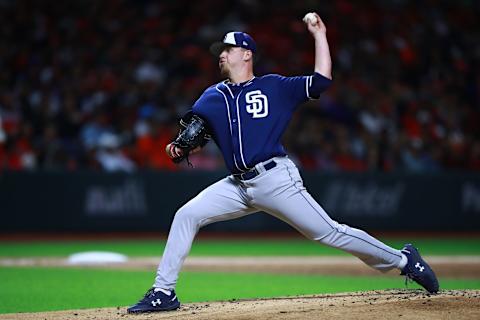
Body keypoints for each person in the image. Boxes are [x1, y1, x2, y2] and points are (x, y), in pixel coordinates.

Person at [127, 13, 439, 313]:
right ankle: (163, 291)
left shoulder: (274, 87)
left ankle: (403, 260)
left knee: (328, 232)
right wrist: (178, 148)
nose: (221, 55)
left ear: (247, 54)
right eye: (220, 51)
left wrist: (320, 35)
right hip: (237, 184)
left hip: (276, 179)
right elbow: (193, 135)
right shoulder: (211, 96)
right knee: (187, 214)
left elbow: (321, 82)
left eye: (228, 49)